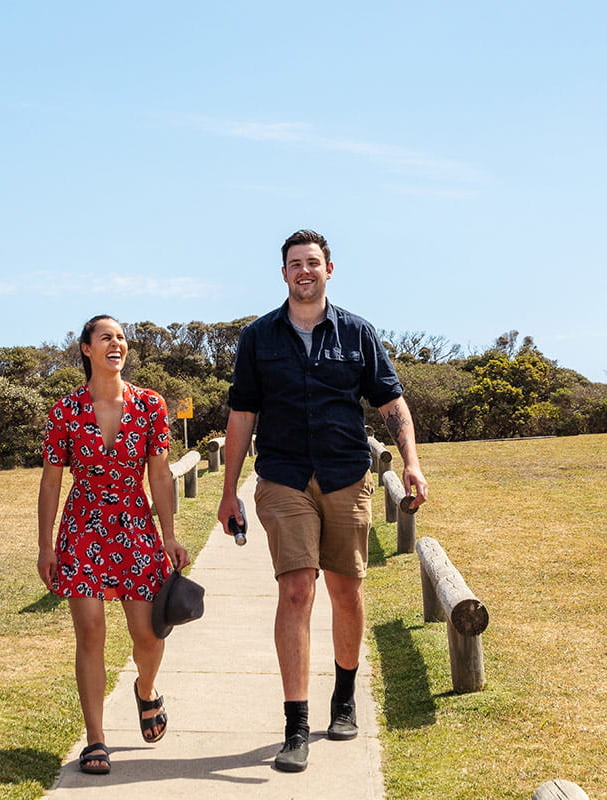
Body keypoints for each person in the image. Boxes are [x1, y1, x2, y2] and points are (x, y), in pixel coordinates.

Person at [217, 229, 429, 773]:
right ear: (283, 273)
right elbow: (242, 416)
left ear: (329, 270)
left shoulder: (358, 333)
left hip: (346, 475)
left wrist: (411, 462)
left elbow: (391, 404)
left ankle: (344, 696)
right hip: (284, 477)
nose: (304, 271)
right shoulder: (257, 338)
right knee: (295, 591)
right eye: (295, 264)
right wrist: (227, 492)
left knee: (347, 588)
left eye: (313, 263)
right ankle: (295, 725)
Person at [39, 314, 192, 776]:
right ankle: (96, 739)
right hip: (82, 528)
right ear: (86, 348)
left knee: (148, 634)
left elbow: (160, 473)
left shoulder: (151, 405)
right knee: (90, 632)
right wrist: (45, 547)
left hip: (135, 527)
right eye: (106, 337)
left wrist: (169, 536)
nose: (116, 344)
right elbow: (50, 482)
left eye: (121, 338)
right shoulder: (64, 410)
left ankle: (146, 691)